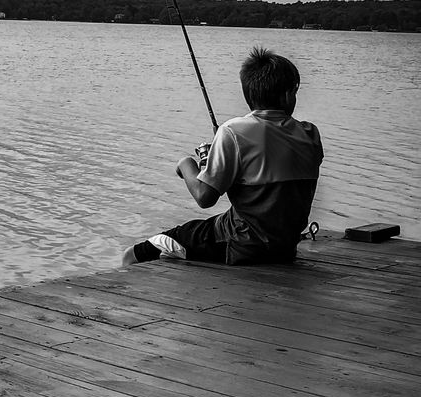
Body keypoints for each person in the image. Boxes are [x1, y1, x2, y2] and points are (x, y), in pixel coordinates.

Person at [123, 46, 323, 266]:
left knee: (134, 254)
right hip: (284, 248)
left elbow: (204, 197)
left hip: (240, 244)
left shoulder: (233, 132)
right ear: (287, 95)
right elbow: (271, 164)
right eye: (295, 91)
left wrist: (187, 164)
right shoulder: (310, 133)